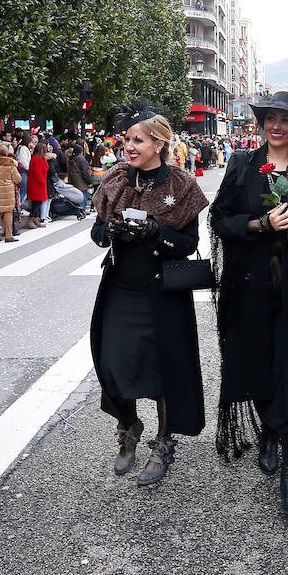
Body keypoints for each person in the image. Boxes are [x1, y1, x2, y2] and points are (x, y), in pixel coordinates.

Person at [210, 91, 288, 518]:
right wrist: (259, 224)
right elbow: (220, 219)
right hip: (250, 290)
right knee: (258, 368)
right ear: (262, 124)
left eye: (286, 119)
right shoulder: (243, 166)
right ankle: (269, 427)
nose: (277, 125)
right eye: (270, 118)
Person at [90, 106, 208, 487]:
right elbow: (97, 234)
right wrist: (109, 230)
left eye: (137, 139)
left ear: (159, 143)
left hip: (163, 290)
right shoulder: (115, 181)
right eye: (127, 139)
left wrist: (155, 231)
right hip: (121, 288)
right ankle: (129, 424)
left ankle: (163, 442)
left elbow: (189, 243)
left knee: (163, 370)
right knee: (112, 362)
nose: (129, 146)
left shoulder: (182, 185)